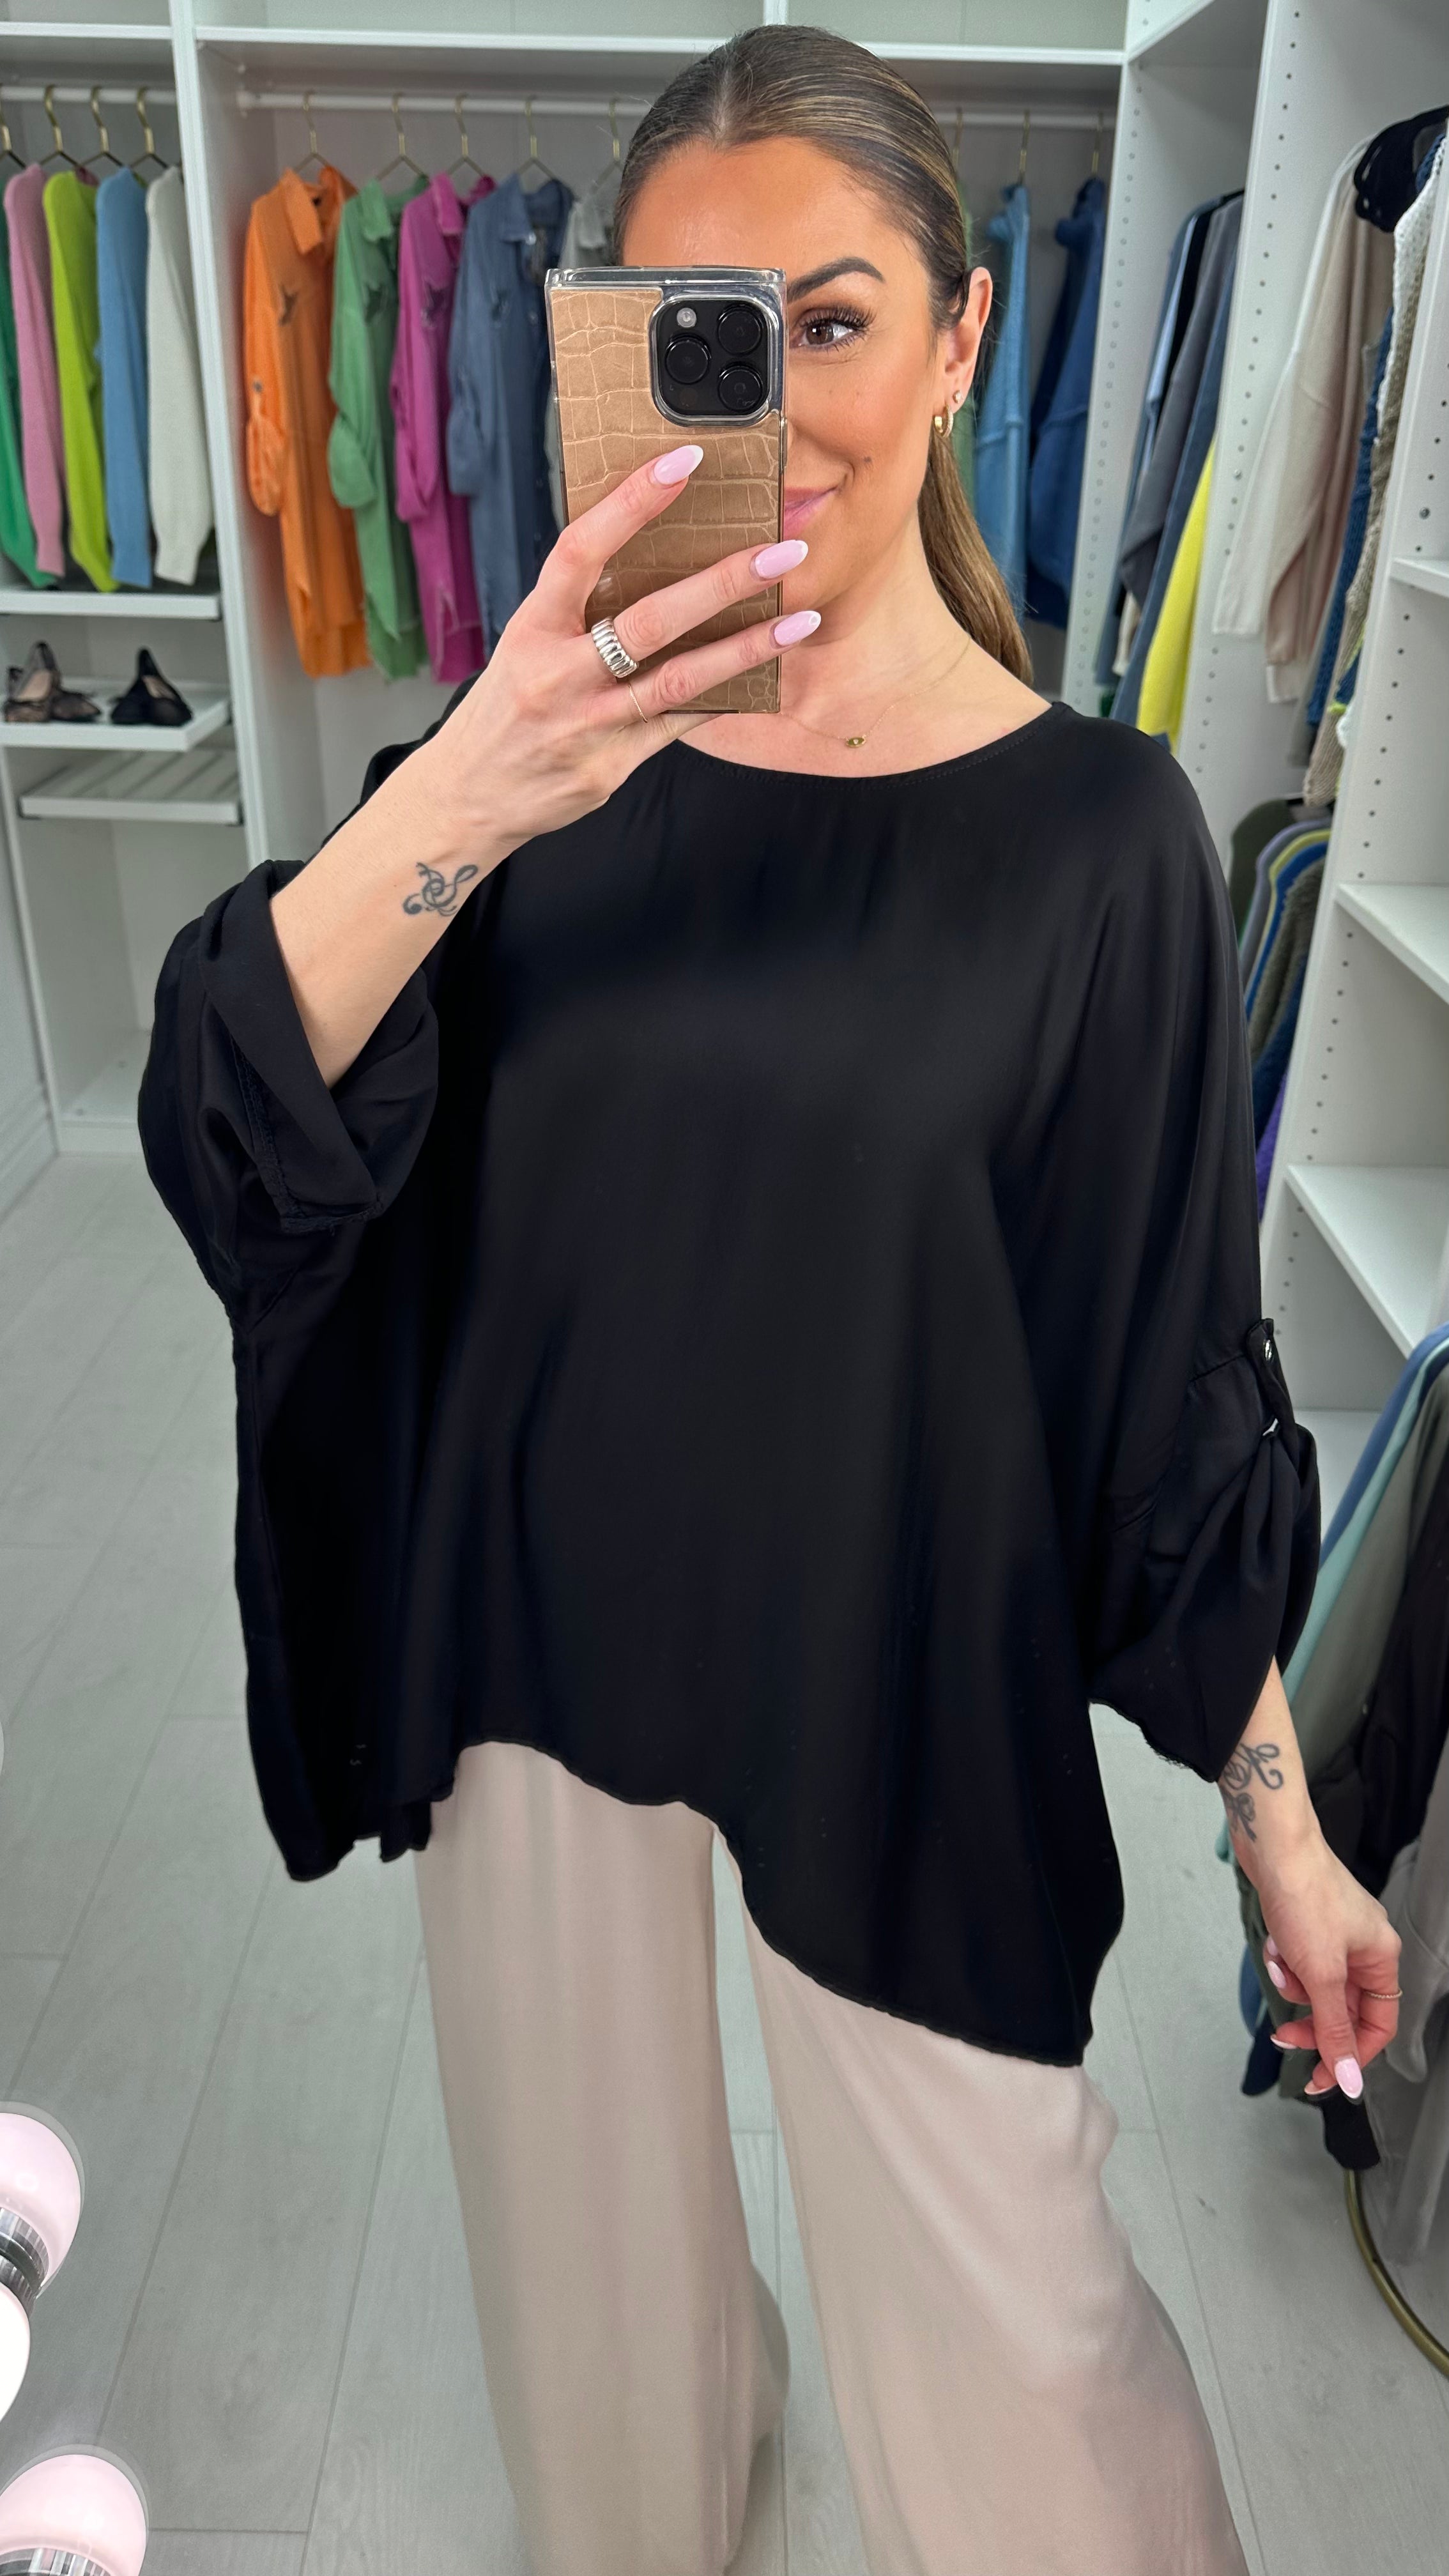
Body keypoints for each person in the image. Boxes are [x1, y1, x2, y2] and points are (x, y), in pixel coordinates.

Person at [139, 26, 1402, 2576]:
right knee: (597, 2350)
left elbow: (1161, 1387)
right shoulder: (523, 759)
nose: (778, 400)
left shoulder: (1100, 842)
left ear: (958, 339)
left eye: (832, 321)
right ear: (610, 355)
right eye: (696, 334)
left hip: (892, 1665)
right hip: (534, 1645)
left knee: (1022, 2341)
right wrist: (483, 775)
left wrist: (1284, 1833)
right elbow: (229, 1110)